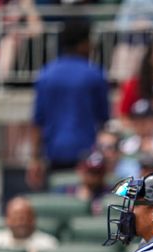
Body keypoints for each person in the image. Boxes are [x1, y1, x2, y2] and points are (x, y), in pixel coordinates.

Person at [28, 18, 110, 190]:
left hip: (54, 156)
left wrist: (35, 159)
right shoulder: (94, 75)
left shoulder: (45, 74)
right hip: (88, 159)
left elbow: (37, 123)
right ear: (82, 44)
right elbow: (104, 121)